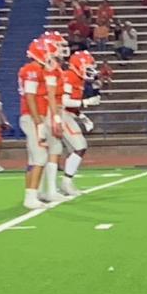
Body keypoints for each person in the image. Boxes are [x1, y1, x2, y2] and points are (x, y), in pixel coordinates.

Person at [18, 34, 68, 209]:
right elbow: (30, 98)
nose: (52, 58)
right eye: (50, 55)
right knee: (39, 156)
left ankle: (35, 193)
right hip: (32, 116)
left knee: (36, 157)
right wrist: (39, 122)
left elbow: (50, 96)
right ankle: (30, 196)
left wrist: (53, 117)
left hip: (38, 115)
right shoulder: (31, 69)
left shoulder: (39, 69)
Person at [58, 51, 101, 196]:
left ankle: (64, 183)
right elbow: (63, 102)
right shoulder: (69, 76)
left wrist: (82, 116)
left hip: (67, 114)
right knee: (80, 147)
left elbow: (71, 105)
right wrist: (86, 102)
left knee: (74, 151)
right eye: (87, 66)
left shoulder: (77, 78)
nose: (90, 70)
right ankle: (66, 183)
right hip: (61, 115)